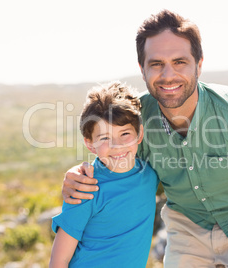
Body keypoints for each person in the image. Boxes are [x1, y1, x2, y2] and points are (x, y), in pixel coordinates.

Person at [61, 10, 228, 268]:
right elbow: (111, 156)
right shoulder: (136, 121)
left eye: (180, 62)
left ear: (199, 64)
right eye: (156, 64)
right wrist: (77, 174)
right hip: (186, 227)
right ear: (142, 70)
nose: (168, 75)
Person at [49, 81, 159, 267]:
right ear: (90, 144)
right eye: (105, 138)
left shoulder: (150, 174)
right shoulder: (84, 188)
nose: (117, 145)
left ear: (140, 134)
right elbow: (59, 260)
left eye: (125, 134)